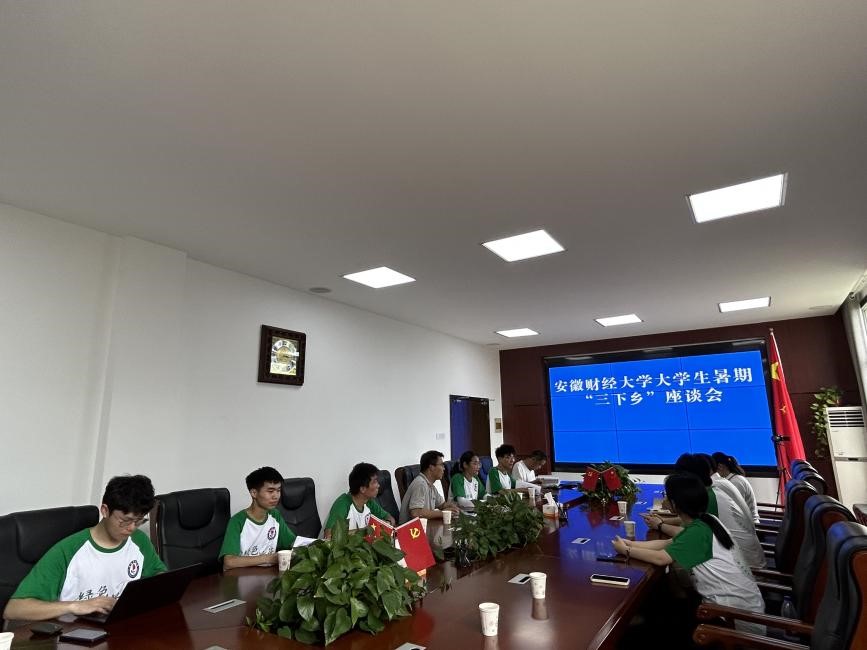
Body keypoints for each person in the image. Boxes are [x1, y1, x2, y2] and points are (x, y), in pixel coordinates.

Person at [613, 473, 765, 634]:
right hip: (744, 609)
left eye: (666, 496)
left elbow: (661, 558)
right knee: (665, 597)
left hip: (733, 621)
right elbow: (667, 543)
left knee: (660, 614)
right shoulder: (707, 520)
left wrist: (626, 551)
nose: (664, 499)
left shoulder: (698, 532)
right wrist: (631, 543)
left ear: (674, 504)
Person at [3, 475, 166, 622]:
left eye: (138, 521)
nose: (131, 528)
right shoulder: (68, 550)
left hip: (119, 628)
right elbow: (14, 609)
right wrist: (74, 606)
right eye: (125, 521)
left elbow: (160, 576)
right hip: (71, 634)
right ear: (105, 510)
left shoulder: (138, 541)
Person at [648, 453, 765, 568]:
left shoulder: (710, 497)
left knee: (677, 564)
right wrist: (664, 520)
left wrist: (660, 525)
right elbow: (692, 521)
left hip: (745, 564)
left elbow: (686, 534)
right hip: (739, 556)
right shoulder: (713, 489)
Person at [219, 466, 296, 569]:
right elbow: (229, 562)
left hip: (269, 574)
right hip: (242, 576)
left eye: (278, 490)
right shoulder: (237, 521)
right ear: (254, 493)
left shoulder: (275, 515)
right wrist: (269, 558)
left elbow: (293, 543)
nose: (276, 496)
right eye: (270, 491)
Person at [324, 463, 395, 538]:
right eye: (374, 482)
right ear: (362, 489)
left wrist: (388, 523)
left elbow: (391, 518)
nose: (378, 485)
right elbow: (328, 535)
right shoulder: (343, 504)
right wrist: (366, 530)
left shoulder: (369, 502)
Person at [398, 450, 459, 524]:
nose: (444, 468)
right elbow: (416, 513)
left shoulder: (430, 486)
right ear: (431, 467)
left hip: (425, 526)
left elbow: (442, 505)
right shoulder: (420, 484)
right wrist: (442, 513)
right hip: (409, 529)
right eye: (441, 465)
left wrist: (454, 506)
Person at [713, 452, 760, 524]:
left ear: (720, 467)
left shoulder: (736, 482)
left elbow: (734, 509)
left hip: (749, 524)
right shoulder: (731, 479)